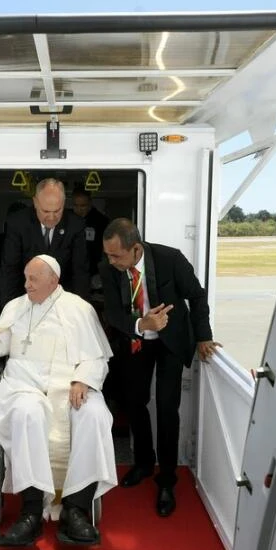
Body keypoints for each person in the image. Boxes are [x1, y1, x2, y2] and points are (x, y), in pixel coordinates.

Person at [0, 255, 116, 546]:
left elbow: (97, 356)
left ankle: (76, 509)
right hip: (24, 384)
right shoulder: (16, 307)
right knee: (28, 413)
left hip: (71, 383)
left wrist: (84, 379)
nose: (26, 285)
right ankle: (31, 512)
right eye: (25, 278)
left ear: (54, 280)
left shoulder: (80, 308)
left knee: (95, 415)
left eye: (33, 279)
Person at [99, 218, 220, 517]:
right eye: (108, 255)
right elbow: (113, 313)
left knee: (167, 408)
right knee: (135, 402)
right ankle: (143, 463)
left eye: (117, 255)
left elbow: (197, 295)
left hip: (170, 342)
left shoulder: (170, 258)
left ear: (136, 248)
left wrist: (204, 336)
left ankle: (166, 479)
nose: (111, 261)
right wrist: (142, 324)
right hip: (137, 340)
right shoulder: (108, 270)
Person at [0, 178, 90, 307]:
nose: (51, 217)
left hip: (63, 302)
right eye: (46, 211)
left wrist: (81, 310)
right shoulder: (17, 223)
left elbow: (80, 273)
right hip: (25, 299)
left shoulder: (76, 225)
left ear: (63, 203)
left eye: (57, 211)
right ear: (35, 202)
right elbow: (9, 272)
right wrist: (9, 312)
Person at [71, 188, 110, 291]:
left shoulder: (101, 222)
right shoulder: (67, 221)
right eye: (76, 205)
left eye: (83, 206)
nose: (79, 209)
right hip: (71, 271)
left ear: (90, 204)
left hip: (94, 270)